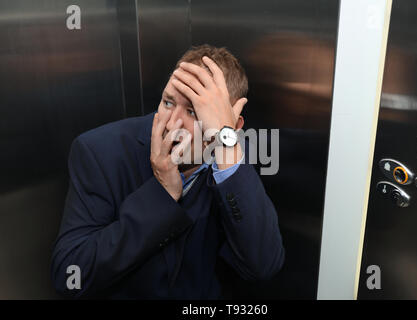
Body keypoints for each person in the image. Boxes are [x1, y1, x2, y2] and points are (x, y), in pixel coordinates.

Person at [50, 44, 285, 299]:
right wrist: (161, 195)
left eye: (194, 112)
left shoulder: (235, 157)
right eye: (168, 102)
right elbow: (69, 274)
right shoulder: (101, 151)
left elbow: (263, 266)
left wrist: (226, 151)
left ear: (230, 126)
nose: (172, 124)